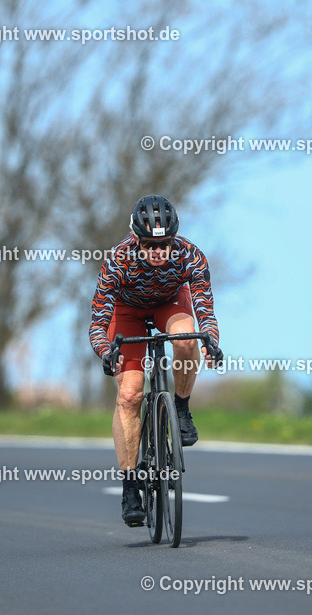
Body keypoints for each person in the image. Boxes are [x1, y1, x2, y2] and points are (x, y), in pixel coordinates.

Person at [89, 195, 222, 526]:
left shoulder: (190, 255)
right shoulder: (117, 260)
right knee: (130, 394)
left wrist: (211, 342)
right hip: (126, 311)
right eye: (150, 245)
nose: (159, 251)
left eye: (165, 244)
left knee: (187, 339)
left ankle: (181, 407)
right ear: (136, 239)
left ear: (174, 238)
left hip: (170, 303)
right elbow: (98, 322)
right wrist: (106, 352)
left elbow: (205, 311)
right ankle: (130, 485)